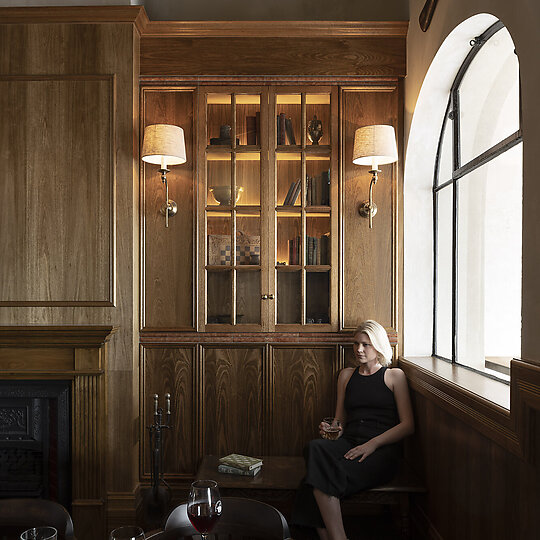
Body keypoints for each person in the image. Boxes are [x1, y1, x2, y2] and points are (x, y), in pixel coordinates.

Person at [291, 320, 414, 540]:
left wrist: (371, 444)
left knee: (313, 479)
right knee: (314, 447)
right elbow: (340, 423)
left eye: (365, 344)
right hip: (349, 442)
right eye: (356, 344)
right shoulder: (346, 375)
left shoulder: (394, 376)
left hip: (381, 451)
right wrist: (331, 429)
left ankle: (334, 537)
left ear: (378, 346)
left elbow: (407, 425)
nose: (359, 349)